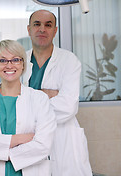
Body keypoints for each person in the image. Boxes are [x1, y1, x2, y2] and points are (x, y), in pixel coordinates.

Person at [0, 39, 56, 176]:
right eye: (2, 60)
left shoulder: (39, 100)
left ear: (23, 64)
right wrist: (20, 139)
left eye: (15, 60)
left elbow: (43, 145)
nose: (9, 65)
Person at [22, 9, 93, 176]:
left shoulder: (69, 60)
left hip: (63, 139)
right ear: (29, 29)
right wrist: (48, 94)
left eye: (48, 25)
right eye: (37, 24)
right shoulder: (20, 61)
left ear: (55, 30)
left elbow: (68, 107)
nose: (42, 29)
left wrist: (29, 99)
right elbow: (11, 100)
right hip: (29, 140)